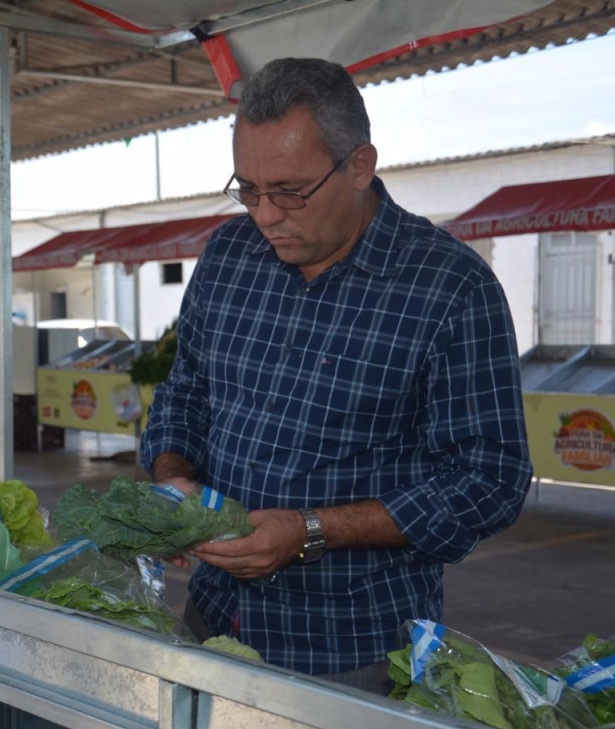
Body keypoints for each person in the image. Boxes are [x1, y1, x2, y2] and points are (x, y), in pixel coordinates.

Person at [140, 58, 532, 693]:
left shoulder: (451, 287)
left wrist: (310, 531)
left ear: (359, 165)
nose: (266, 216)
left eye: (291, 191)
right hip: (212, 618)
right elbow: (186, 391)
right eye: (248, 190)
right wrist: (172, 479)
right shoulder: (228, 256)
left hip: (352, 645)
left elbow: (490, 479)